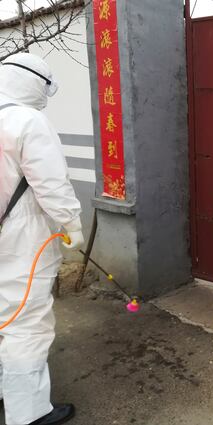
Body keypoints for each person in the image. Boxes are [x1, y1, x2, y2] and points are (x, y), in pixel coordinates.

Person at [0, 53, 84, 425]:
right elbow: (50, 183)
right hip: (18, 236)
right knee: (25, 322)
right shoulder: (27, 121)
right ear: (34, 83)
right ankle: (28, 414)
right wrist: (71, 223)